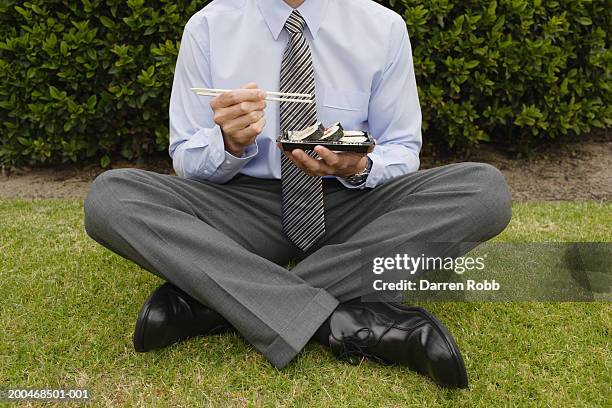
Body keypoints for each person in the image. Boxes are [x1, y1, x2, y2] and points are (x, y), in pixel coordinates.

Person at [84, 0, 511, 389]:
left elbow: (402, 147)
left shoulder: (382, 27)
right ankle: (341, 318)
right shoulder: (209, 27)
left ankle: (214, 305)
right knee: (111, 197)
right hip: (244, 203)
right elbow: (185, 155)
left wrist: (358, 165)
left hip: (348, 203)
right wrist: (228, 144)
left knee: (484, 190)